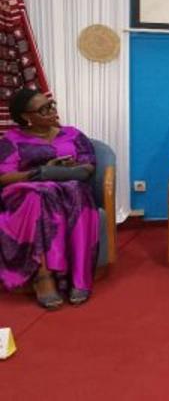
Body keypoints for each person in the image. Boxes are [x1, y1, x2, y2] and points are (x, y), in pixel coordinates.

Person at [0, 88, 99, 309]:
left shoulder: (73, 134)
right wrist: (40, 172)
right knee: (41, 194)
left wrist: (69, 169)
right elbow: (4, 176)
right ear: (26, 116)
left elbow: (89, 165)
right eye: (43, 110)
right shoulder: (12, 140)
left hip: (68, 187)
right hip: (25, 192)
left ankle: (79, 277)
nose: (52, 112)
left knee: (77, 190)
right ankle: (43, 277)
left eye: (51, 105)